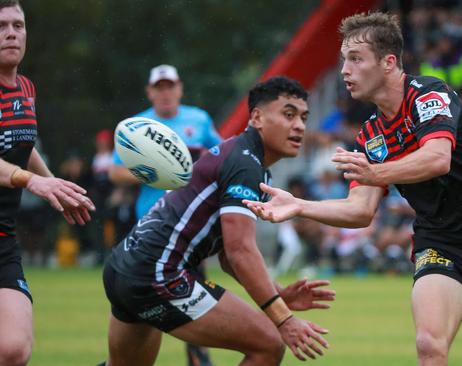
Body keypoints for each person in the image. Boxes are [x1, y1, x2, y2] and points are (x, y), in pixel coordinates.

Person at [245, 13, 462, 366]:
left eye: (355, 59)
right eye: (344, 61)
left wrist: (376, 172)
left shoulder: (430, 95)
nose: (344, 71)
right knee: (429, 346)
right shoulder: (370, 136)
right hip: (442, 244)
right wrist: (300, 205)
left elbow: (437, 158)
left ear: (388, 63)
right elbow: (360, 210)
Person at [101, 76, 334, 366]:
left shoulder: (245, 159)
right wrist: (284, 319)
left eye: (303, 117)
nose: (299, 125)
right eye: (288, 115)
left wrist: (279, 293)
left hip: (123, 266)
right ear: (257, 117)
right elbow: (240, 251)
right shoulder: (245, 164)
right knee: (268, 345)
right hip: (156, 274)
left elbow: (226, 255)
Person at [0, 1, 95, 365]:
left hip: (3, 241)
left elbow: (25, 148)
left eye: (18, 25)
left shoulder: (26, 88)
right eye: (3, 25)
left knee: (14, 349)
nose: (11, 33)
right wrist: (31, 183)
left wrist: (55, 185)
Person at [108, 64, 222, 365]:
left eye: (170, 86)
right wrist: (156, 172)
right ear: (150, 92)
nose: (166, 92)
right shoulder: (137, 125)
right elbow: (115, 172)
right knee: (140, 310)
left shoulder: (199, 120)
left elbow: (220, 155)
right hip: (151, 227)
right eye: (159, 87)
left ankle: (200, 361)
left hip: (190, 228)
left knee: (197, 300)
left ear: (180, 88)